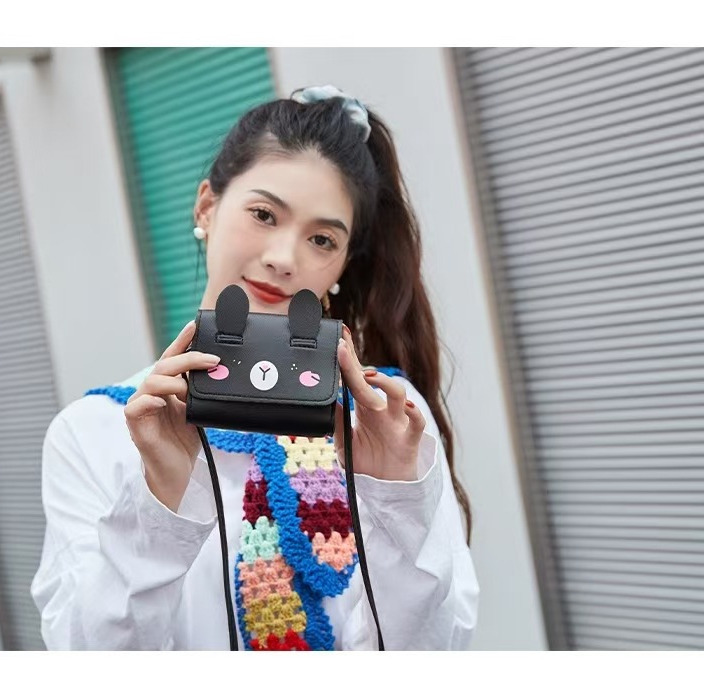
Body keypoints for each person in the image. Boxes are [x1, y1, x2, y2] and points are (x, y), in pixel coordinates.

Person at [31, 85, 479, 650]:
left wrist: (395, 501)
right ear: (207, 206)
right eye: (264, 214)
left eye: (322, 239)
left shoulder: (388, 419)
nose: (284, 258)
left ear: (342, 264)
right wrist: (159, 502)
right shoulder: (94, 433)